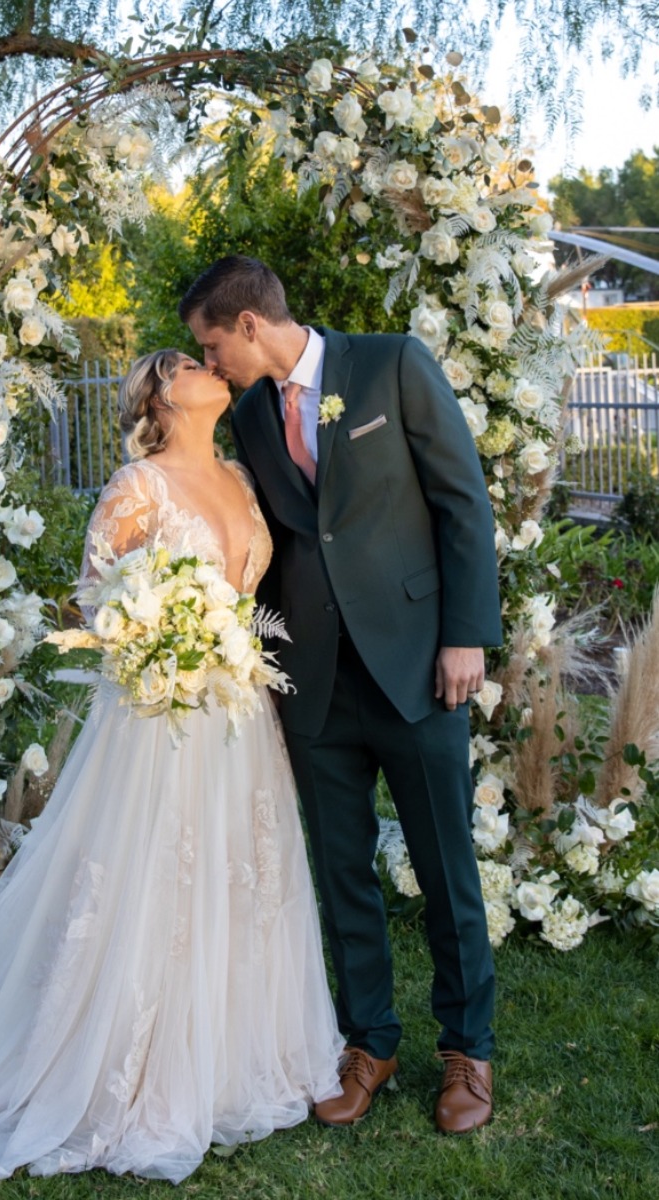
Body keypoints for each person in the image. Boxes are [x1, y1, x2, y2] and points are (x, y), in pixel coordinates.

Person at [0, 349, 343, 1183]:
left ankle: (238, 1049)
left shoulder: (243, 477)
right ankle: (126, 1061)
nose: (208, 366)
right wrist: (165, 639)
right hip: (160, 720)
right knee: (155, 880)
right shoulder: (134, 487)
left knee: (243, 874)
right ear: (161, 396)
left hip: (243, 714)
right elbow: (94, 597)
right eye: (188, 363)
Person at [179, 255, 503, 1135]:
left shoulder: (392, 363)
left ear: (248, 324)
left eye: (212, 346)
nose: (210, 368)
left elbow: (461, 503)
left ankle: (467, 1051)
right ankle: (369, 1042)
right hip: (313, 683)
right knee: (341, 873)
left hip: (419, 668)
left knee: (446, 870)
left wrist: (464, 634)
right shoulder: (248, 415)